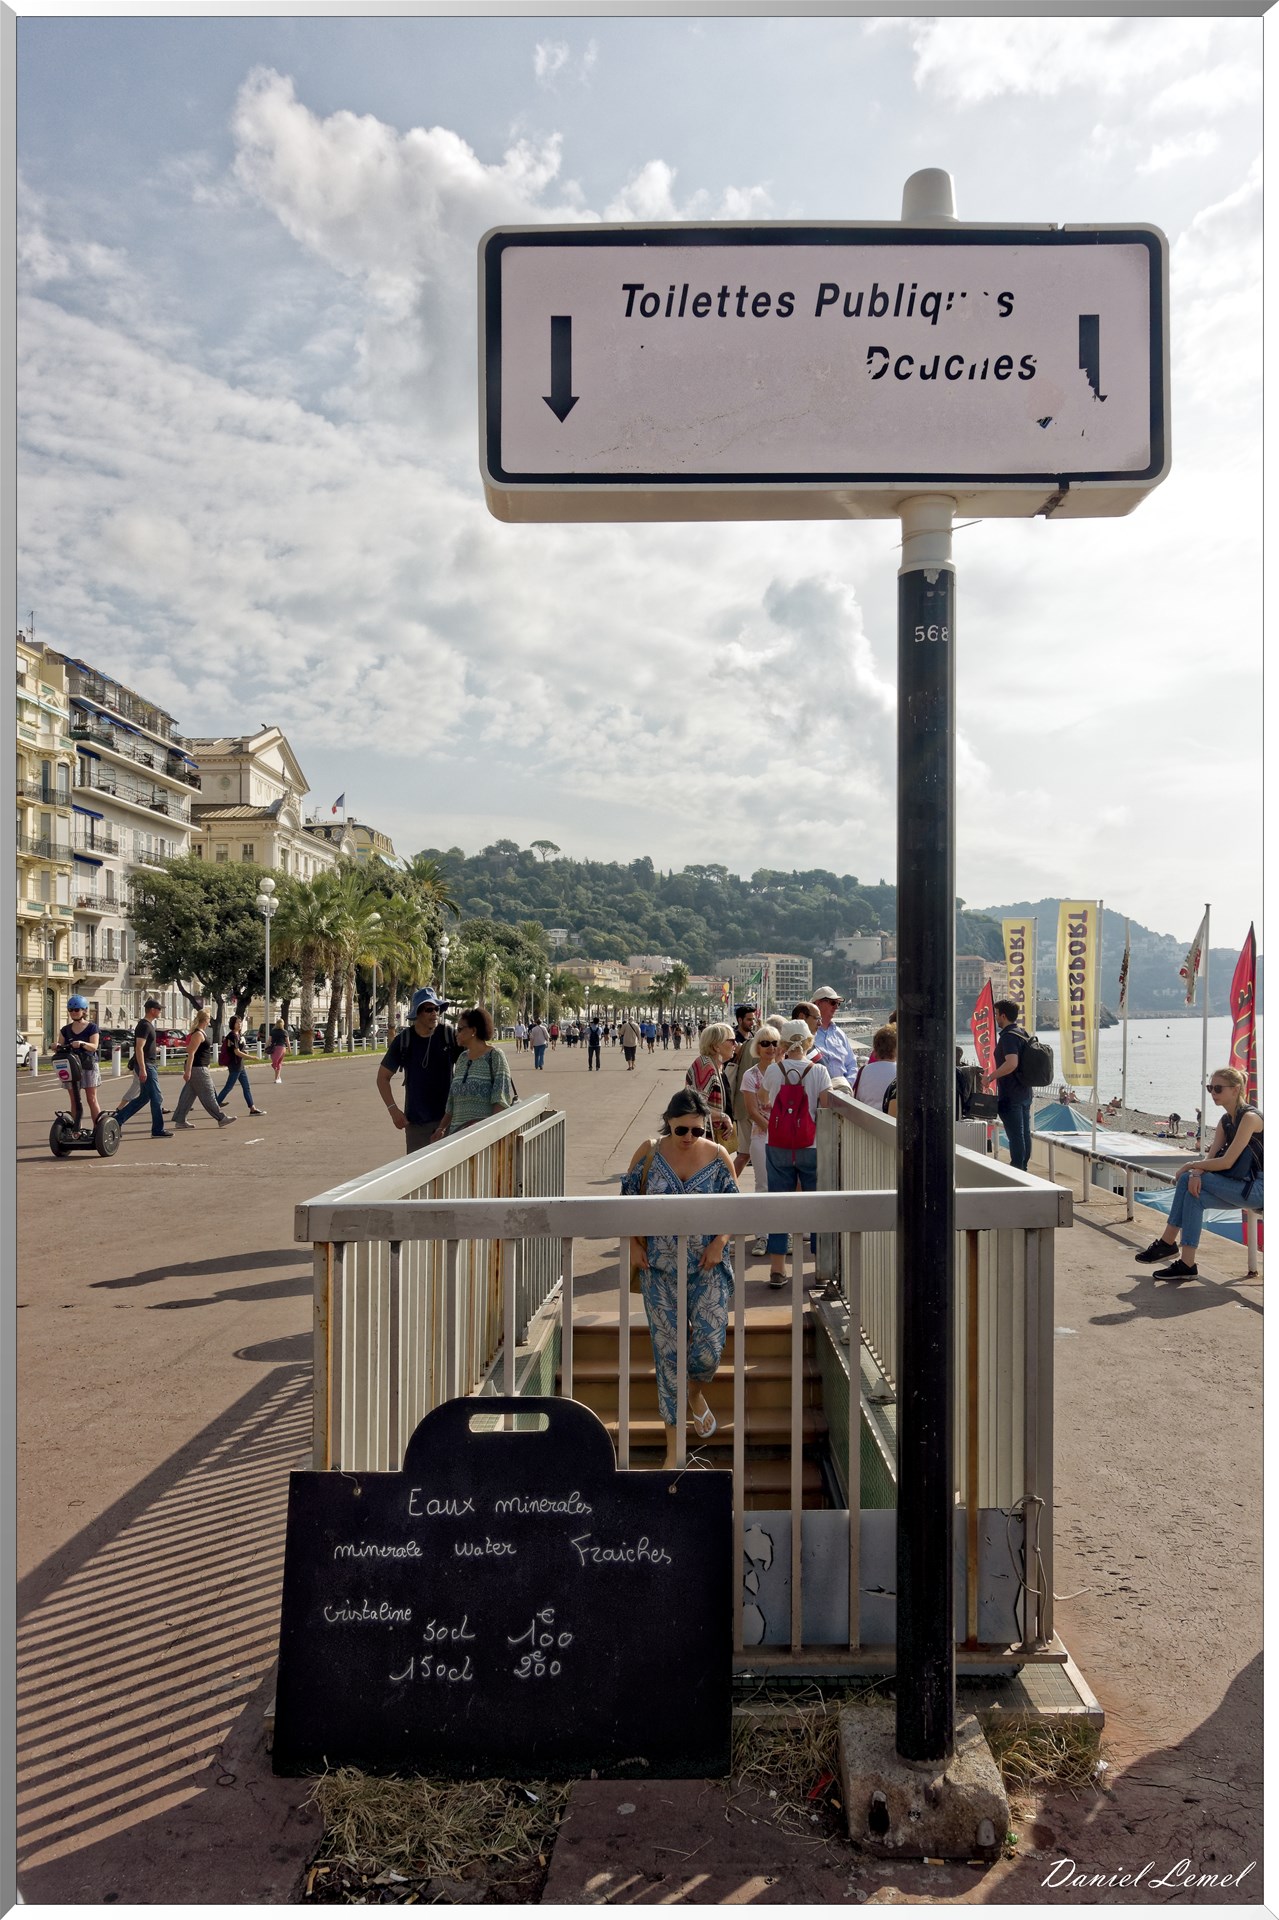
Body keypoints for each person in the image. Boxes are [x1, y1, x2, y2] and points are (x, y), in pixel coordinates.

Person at [621, 1088, 739, 1469]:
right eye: (682, 1130)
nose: (689, 1138)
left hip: (707, 1266)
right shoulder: (649, 1152)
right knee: (669, 1356)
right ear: (668, 1123)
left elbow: (735, 1207)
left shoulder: (719, 1157)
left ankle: (693, 1392)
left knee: (709, 1347)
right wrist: (633, 1245)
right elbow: (623, 1203)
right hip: (658, 1269)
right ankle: (675, 1450)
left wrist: (720, 1242)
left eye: (697, 1131)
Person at [1133, 1067, 1263, 1280]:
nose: (1213, 1093)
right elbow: (1210, 1160)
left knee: (1187, 1178)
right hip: (1238, 1186)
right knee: (1195, 1196)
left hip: (1259, 1189)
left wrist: (1190, 1168)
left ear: (1236, 1089)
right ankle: (1187, 1264)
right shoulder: (1225, 1121)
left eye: (1218, 1088)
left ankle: (1166, 1243)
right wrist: (1196, 1171)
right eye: (1210, 1088)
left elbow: (1227, 1161)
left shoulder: (1250, 1118)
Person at [763, 1020, 835, 1288]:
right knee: (816, 1205)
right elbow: (826, 1106)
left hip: (778, 1145)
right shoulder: (820, 1071)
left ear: (783, 1043)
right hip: (810, 1145)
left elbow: (763, 1099)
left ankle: (777, 1269)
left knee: (779, 1203)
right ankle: (818, 1270)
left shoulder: (773, 1070)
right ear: (808, 1042)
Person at [377, 988, 461, 1153]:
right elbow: (382, 1077)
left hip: (449, 1120)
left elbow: (468, 1063)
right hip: (416, 1124)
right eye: (429, 1009)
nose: (434, 1013)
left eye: (437, 1009)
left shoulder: (448, 1035)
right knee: (419, 1174)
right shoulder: (404, 1040)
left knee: (448, 1174)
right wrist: (393, 1109)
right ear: (418, 1013)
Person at [434, 1007, 514, 1137]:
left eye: (460, 1029)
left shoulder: (495, 1056)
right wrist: (441, 1128)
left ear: (473, 1031)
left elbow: (501, 1101)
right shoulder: (462, 1058)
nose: (456, 1033)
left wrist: (491, 1135)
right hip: (457, 1137)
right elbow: (452, 1102)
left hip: (483, 1139)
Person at [113, 996, 172, 1138]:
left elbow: (145, 1047)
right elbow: (138, 1048)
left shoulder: (148, 1025)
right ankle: (157, 1130)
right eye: (159, 1009)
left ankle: (117, 1120)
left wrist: (154, 1049)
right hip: (146, 1065)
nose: (160, 1012)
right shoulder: (144, 1025)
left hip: (149, 1063)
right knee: (156, 1097)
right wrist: (143, 1069)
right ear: (152, 1010)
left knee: (144, 1098)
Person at [173, 1009, 235, 1128]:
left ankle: (180, 1120)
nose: (209, 1021)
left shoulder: (200, 1033)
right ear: (205, 1020)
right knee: (209, 1094)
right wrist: (188, 1072)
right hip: (198, 1069)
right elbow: (191, 1052)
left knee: (188, 1095)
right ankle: (221, 1118)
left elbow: (191, 1047)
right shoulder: (198, 1034)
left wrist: (181, 1044)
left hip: (200, 1067)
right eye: (208, 1018)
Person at [993, 997, 1034, 1172]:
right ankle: (1023, 1166)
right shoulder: (1022, 1033)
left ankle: (1018, 1169)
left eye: (996, 1014)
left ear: (1003, 1016)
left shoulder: (1008, 1037)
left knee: (1016, 1135)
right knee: (1024, 1134)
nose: (995, 1018)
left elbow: (1011, 1063)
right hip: (1025, 1092)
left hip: (1011, 1094)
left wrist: (990, 1077)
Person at [685, 1022, 738, 1149]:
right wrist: (723, 1117)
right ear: (716, 1046)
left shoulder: (716, 1065)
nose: (735, 1045)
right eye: (731, 1041)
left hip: (711, 1139)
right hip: (703, 1140)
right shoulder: (705, 1066)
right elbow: (696, 1106)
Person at [57, 996, 103, 1127]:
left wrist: (82, 1043)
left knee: (91, 1098)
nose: (73, 1012)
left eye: (76, 1010)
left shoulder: (92, 1028)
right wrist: (56, 1046)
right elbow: (60, 1046)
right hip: (71, 1066)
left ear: (84, 1011)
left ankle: (98, 1128)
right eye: (70, 1010)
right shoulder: (65, 1030)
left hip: (88, 1064)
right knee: (74, 1100)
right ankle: (76, 1129)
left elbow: (94, 1046)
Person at [216, 1015, 266, 1115]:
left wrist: (245, 1053)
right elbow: (236, 1052)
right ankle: (214, 1104)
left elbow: (240, 1049)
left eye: (240, 1022)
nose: (240, 1024)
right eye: (237, 1022)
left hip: (240, 1064)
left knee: (246, 1086)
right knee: (229, 1086)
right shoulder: (232, 1036)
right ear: (233, 1024)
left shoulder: (237, 1034)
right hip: (235, 1064)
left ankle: (252, 1109)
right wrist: (252, 1058)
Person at [810, 986, 859, 1085]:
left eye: (838, 1003)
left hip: (842, 1093)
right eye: (833, 1002)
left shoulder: (840, 1034)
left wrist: (847, 1087)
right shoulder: (808, 1033)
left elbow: (852, 1065)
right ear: (818, 1003)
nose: (836, 1007)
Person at [853, 1025, 897, 1111]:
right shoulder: (900, 1072)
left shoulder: (864, 1070)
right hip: (889, 1121)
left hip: (866, 1120)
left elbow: (858, 1098)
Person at [269, 1013, 289, 1085]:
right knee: (278, 1063)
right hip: (282, 1048)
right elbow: (287, 1042)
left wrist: (266, 1046)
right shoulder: (284, 1032)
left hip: (276, 1048)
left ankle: (277, 1078)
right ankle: (278, 1078)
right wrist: (289, 1049)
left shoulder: (274, 1031)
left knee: (275, 1063)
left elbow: (269, 1040)